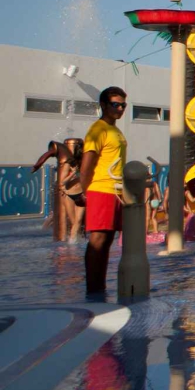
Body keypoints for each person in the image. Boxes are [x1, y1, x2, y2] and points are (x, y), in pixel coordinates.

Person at [79, 88, 129, 295]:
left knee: (107, 241)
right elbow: (87, 164)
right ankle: (92, 289)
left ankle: (100, 287)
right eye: (115, 104)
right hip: (101, 189)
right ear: (103, 105)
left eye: (123, 105)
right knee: (98, 240)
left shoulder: (114, 130)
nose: (120, 109)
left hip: (115, 191)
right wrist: (83, 192)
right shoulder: (98, 129)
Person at [32, 137, 85, 241]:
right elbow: (62, 182)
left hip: (81, 193)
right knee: (73, 221)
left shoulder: (85, 164)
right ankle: (73, 242)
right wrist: (73, 173)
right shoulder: (70, 163)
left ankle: (76, 241)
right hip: (69, 194)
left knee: (78, 221)